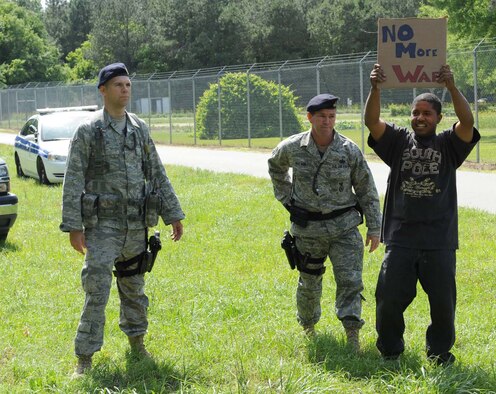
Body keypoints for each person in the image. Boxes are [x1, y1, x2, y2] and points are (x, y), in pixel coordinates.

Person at [60, 62, 185, 376]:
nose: (125, 90)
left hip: (135, 226)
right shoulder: (89, 131)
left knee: (134, 287)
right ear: (103, 90)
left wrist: (173, 214)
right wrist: (74, 226)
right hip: (103, 227)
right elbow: (73, 178)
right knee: (97, 290)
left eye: (128, 85)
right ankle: (84, 359)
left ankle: (137, 343)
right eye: (118, 85)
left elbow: (156, 171)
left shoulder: (139, 128)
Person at [364, 64, 480, 365]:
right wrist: (375, 87)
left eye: (427, 113)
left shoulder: (448, 145)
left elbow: (467, 122)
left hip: (439, 240)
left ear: (439, 118)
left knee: (443, 305)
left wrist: (452, 86)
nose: (420, 118)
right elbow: (372, 121)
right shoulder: (398, 142)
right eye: (416, 113)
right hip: (401, 238)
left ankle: (440, 354)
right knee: (388, 300)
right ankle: (390, 352)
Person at [268, 93, 382, 351]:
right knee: (309, 282)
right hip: (308, 230)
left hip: (344, 228)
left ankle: (352, 334)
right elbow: (275, 167)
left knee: (351, 281)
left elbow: (366, 189)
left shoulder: (348, 150)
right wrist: (288, 200)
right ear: (310, 118)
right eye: (321, 117)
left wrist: (375, 227)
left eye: (331, 117)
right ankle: (308, 328)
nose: (327, 122)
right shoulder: (293, 147)